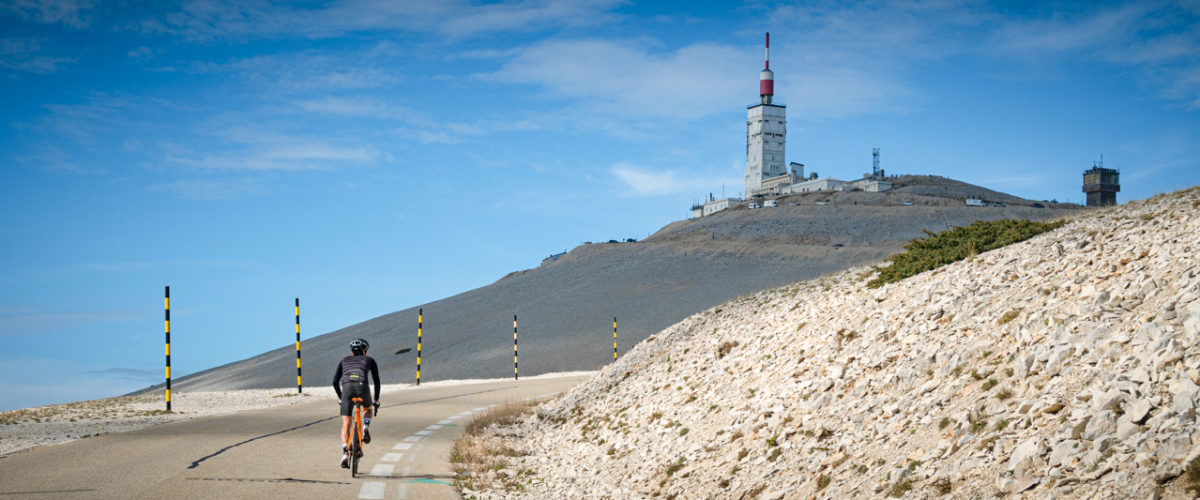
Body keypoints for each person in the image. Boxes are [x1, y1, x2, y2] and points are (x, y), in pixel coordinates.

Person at [333, 338, 381, 468]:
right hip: (362, 387)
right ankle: (366, 425)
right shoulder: (369, 360)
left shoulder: (344, 360)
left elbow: (334, 381)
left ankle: (345, 453)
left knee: (346, 423)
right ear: (365, 351)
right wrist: (376, 401)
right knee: (368, 410)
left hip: (347, 389)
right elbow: (377, 381)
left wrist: (340, 398)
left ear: (351, 352)